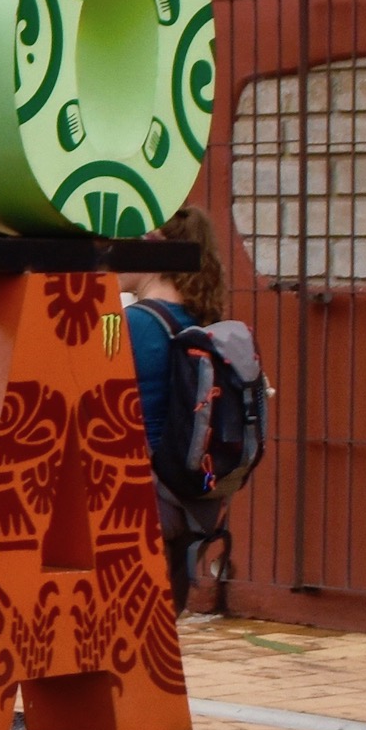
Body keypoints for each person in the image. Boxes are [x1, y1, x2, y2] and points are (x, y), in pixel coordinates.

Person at [124, 205, 235, 617]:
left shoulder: (132, 323)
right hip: (189, 505)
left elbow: (85, 386)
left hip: (139, 504)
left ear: (156, 251)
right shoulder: (201, 321)